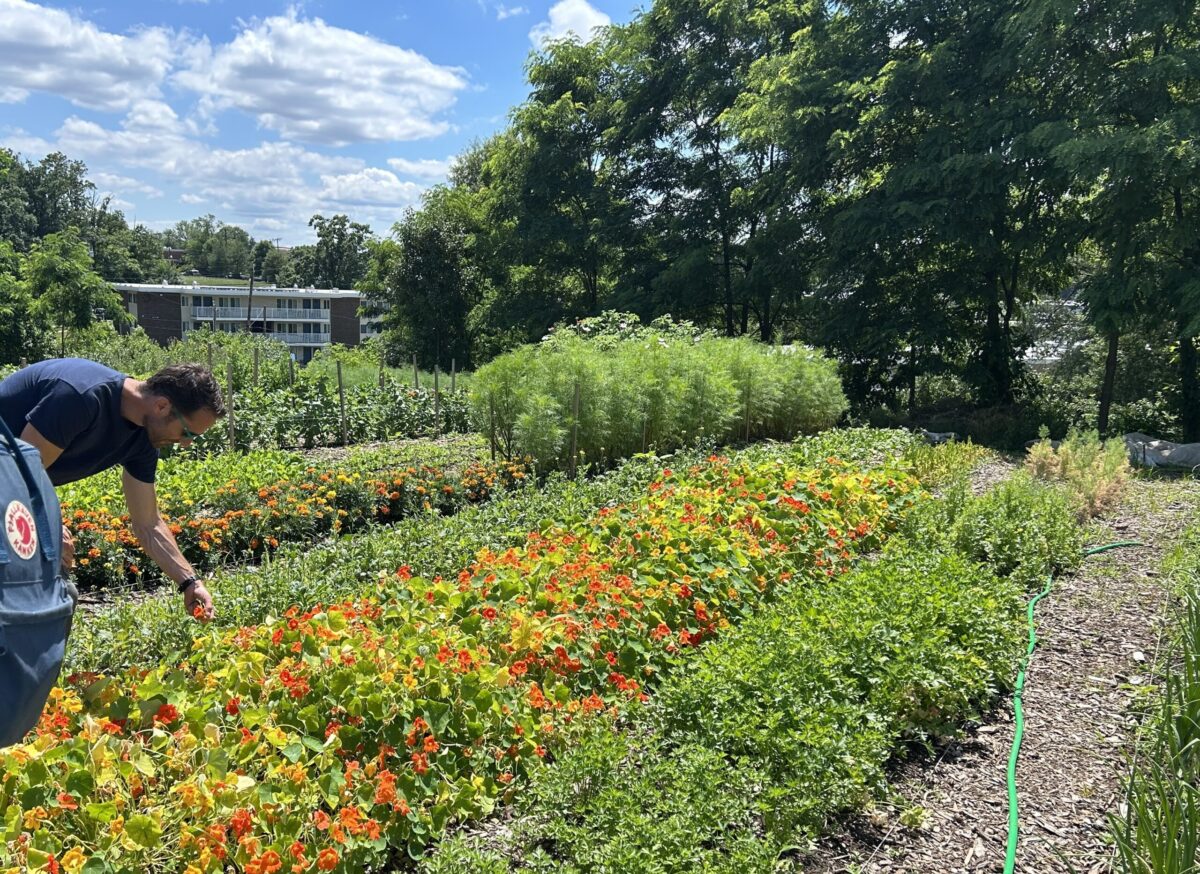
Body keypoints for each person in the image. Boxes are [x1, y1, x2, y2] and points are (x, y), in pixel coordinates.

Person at [0, 358, 225, 618]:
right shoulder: (80, 396)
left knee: (57, 600)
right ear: (163, 406)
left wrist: (189, 582)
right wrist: (46, 523)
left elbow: (148, 523)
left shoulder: (143, 439)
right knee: (39, 602)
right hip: (7, 481)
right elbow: (15, 476)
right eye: (188, 433)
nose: (185, 444)